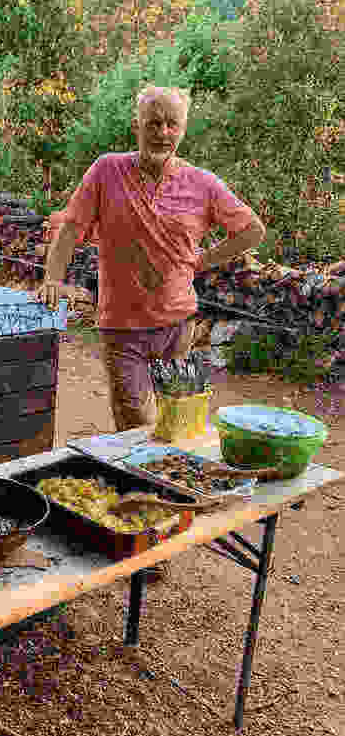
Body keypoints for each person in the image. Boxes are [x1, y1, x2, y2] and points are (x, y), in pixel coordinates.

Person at [37, 84, 265, 579]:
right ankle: (142, 538)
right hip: (122, 329)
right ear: (136, 125)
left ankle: (163, 524)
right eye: (154, 122)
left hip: (178, 327)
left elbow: (251, 231)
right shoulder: (106, 170)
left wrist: (201, 262)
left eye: (172, 124)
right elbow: (72, 228)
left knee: (174, 433)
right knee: (136, 432)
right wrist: (53, 280)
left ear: (182, 130)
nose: (163, 131)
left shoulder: (202, 184)